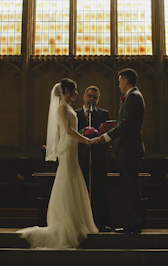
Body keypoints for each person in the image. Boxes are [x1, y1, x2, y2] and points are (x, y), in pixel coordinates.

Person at [18, 78, 99, 248]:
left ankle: (75, 220)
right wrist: (87, 140)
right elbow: (68, 130)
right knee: (68, 179)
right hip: (68, 147)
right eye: (75, 90)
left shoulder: (66, 107)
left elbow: (61, 129)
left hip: (70, 146)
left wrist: (79, 138)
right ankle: (67, 222)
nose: (77, 93)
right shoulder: (62, 107)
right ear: (67, 90)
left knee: (72, 179)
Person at [95, 68, 145, 234]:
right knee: (128, 186)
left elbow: (127, 123)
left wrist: (107, 137)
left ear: (126, 81)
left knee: (130, 186)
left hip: (129, 148)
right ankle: (131, 223)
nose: (118, 86)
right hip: (127, 147)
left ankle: (133, 224)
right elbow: (126, 121)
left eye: (119, 82)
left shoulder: (133, 97)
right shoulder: (132, 97)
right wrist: (111, 126)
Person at [75, 85, 111, 232]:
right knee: (81, 190)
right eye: (89, 96)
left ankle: (102, 222)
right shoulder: (75, 114)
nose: (92, 99)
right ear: (84, 97)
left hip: (98, 157)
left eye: (95, 97)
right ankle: (81, 222)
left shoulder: (104, 114)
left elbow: (109, 135)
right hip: (80, 156)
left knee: (100, 190)